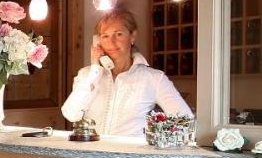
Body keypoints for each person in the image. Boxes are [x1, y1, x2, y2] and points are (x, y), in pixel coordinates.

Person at [61, 9, 192, 137]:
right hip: (91, 151)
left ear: (132, 36)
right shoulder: (87, 75)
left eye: (118, 34)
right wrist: (95, 70)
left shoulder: (153, 78)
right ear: (98, 41)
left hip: (131, 152)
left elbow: (185, 121)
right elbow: (71, 114)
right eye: (105, 36)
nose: (111, 42)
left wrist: (156, 139)